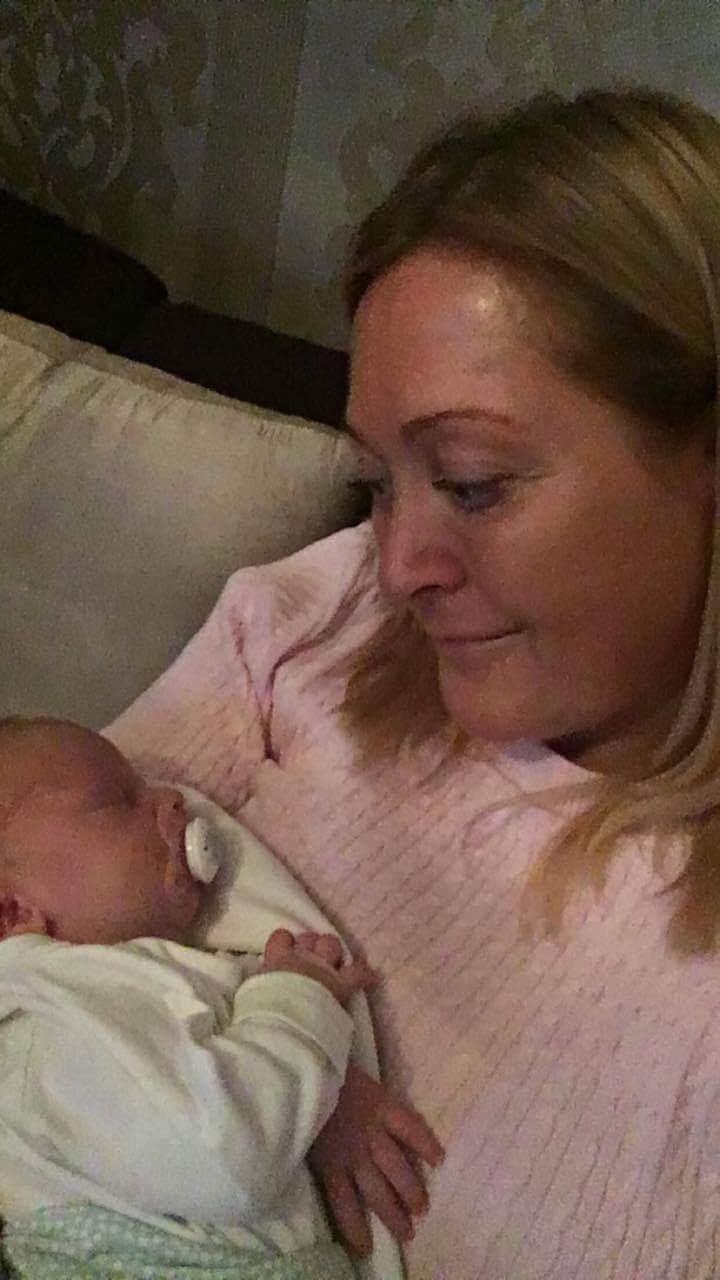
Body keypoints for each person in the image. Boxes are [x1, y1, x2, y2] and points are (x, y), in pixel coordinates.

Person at [106, 87, 720, 1278]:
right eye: (383, 482)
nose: (400, 566)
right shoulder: (330, 610)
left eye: (474, 480)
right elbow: (35, 895)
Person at [0, 717, 441, 1280]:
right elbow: (227, 1153)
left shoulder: (116, 986)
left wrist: (321, 1097)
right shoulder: (41, 1027)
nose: (172, 799)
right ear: (12, 911)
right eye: (117, 802)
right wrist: (299, 1004)